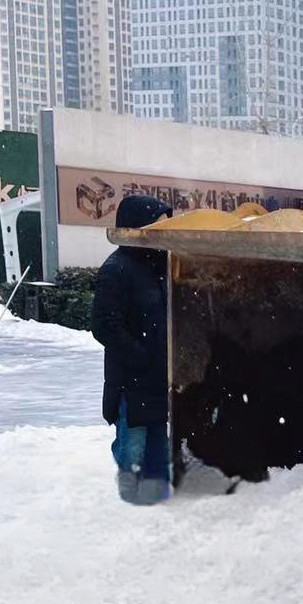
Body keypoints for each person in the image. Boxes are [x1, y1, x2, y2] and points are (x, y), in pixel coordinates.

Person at [90, 194, 174, 504]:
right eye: (158, 227)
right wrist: (140, 355)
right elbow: (104, 326)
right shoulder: (117, 269)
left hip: (157, 374)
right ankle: (131, 506)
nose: (164, 234)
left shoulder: (161, 264)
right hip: (131, 377)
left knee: (159, 444)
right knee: (133, 445)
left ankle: (158, 504)